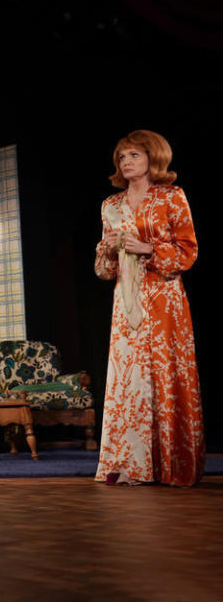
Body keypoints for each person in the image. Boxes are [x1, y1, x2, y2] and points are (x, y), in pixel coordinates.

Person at [94, 129, 203, 486]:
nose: (126, 162)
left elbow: (188, 252)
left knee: (163, 374)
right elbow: (104, 270)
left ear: (153, 158)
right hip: (126, 302)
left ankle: (171, 464)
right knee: (129, 381)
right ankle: (130, 464)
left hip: (164, 299)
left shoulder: (171, 197)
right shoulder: (110, 205)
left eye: (134, 156)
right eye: (122, 157)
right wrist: (108, 250)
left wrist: (148, 249)